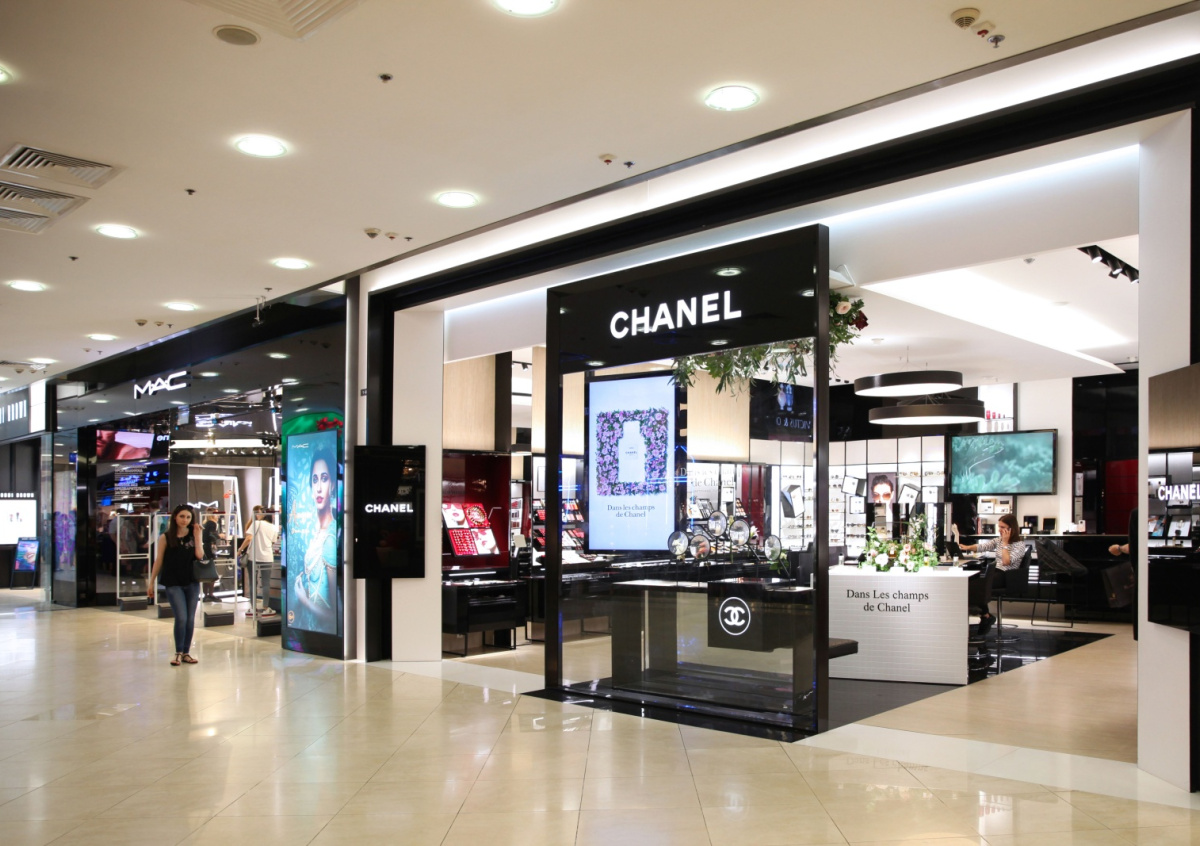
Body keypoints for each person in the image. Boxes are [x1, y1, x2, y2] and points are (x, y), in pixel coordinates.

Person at [148, 505, 205, 666]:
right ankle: (178, 652)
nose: (185, 520)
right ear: (175, 517)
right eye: (182, 516)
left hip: (192, 581)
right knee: (181, 617)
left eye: (188, 517)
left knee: (190, 619)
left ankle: (186, 652)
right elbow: (159, 560)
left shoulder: (194, 535)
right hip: (173, 582)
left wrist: (198, 536)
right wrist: (151, 582)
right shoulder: (166, 537)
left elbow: (200, 556)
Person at [292, 446, 337, 631]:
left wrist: (304, 600)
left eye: (324, 479)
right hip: (312, 633)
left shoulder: (330, 538)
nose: (319, 488)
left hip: (325, 634)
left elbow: (336, 616)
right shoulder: (315, 532)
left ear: (332, 485)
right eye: (315, 479)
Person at [961, 512, 1028, 635]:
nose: (999, 530)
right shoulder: (999, 540)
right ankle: (985, 615)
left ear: (1011, 529)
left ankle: (986, 616)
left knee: (977, 587)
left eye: (1003, 527)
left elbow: (1006, 562)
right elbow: (983, 547)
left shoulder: (1019, 545)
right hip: (996, 572)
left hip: (1007, 576)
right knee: (972, 583)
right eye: (999, 527)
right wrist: (966, 547)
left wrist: (1005, 544)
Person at [238, 505, 279, 618]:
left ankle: (253, 608)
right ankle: (266, 608)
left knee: (253, 582)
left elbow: (248, 538)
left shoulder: (256, 524)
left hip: (253, 557)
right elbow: (273, 542)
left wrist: (240, 550)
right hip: (267, 557)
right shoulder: (273, 527)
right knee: (266, 583)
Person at [200, 511, 221, 602]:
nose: (218, 516)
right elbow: (212, 535)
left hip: (204, 549)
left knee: (206, 573)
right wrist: (220, 536)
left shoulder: (205, 523)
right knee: (212, 572)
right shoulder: (212, 523)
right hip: (209, 550)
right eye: (217, 514)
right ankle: (211, 594)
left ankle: (206, 594)